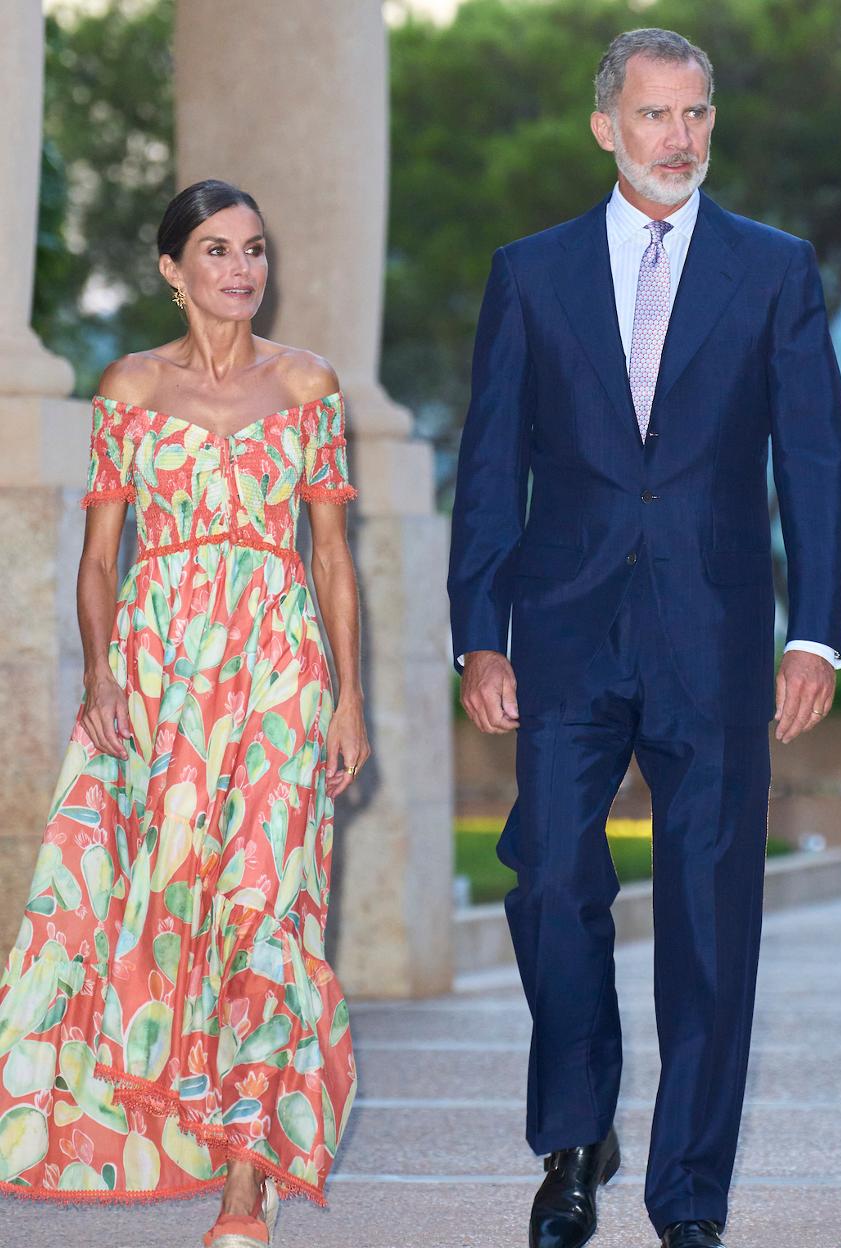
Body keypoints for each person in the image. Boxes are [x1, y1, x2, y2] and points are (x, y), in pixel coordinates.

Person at [448, 27, 841, 1248]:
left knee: (713, 919)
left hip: (718, 634)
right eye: (655, 115)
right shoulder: (531, 272)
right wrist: (480, 633)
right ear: (605, 126)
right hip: (562, 634)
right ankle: (576, 1139)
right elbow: (489, 468)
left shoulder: (774, 269)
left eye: (696, 114)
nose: (679, 138)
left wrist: (814, 636)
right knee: (554, 878)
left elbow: (815, 464)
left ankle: (690, 1196)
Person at [0, 180, 366, 1248]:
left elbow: (332, 559)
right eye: (215, 250)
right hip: (159, 674)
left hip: (278, 669)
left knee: (266, 899)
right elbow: (98, 560)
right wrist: (103, 679)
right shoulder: (129, 388)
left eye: (254, 249)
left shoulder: (309, 383)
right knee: (161, 903)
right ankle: (168, 1112)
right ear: (171, 269)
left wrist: (347, 697)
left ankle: (245, 1190)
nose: (241, 269)